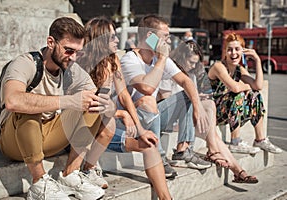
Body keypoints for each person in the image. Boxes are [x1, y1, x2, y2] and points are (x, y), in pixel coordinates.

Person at [0, 17, 117, 200]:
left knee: (92, 105)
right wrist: (68, 101)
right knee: (28, 106)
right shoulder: (25, 63)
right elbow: (12, 101)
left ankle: (70, 174)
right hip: (14, 141)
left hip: (48, 137)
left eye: (78, 52)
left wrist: (107, 105)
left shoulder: (72, 68)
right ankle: (39, 183)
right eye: (69, 50)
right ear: (51, 42)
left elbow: (98, 99)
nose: (74, 57)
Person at [77, 16, 172, 200]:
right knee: (110, 125)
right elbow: (90, 104)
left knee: (149, 145)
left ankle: (166, 198)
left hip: (107, 126)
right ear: (100, 39)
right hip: (86, 130)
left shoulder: (114, 60)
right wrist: (120, 112)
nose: (117, 40)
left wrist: (141, 129)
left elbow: (124, 95)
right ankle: (87, 170)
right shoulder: (82, 63)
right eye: (112, 36)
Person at [120, 14, 212, 177]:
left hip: (153, 118)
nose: (168, 42)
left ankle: (183, 150)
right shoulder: (130, 59)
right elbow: (146, 88)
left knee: (187, 94)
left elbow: (186, 81)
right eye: (165, 37)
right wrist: (162, 58)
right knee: (148, 99)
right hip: (133, 121)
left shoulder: (159, 58)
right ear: (150, 37)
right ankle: (159, 157)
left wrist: (198, 108)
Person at [169, 40, 258, 183]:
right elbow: (165, 99)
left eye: (195, 63)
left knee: (210, 108)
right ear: (181, 57)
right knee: (212, 129)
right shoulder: (170, 70)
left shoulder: (191, 74)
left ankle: (236, 169)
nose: (193, 66)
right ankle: (233, 167)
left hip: (188, 118)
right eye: (191, 62)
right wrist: (195, 99)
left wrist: (198, 98)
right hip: (173, 120)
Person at [208, 32, 282, 154]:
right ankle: (235, 142)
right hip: (210, 112)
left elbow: (258, 86)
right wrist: (248, 87)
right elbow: (235, 88)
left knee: (255, 95)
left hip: (226, 112)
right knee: (238, 94)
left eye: (237, 49)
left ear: (242, 51)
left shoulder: (239, 69)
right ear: (225, 52)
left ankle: (260, 139)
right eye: (230, 50)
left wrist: (257, 60)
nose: (233, 53)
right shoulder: (218, 66)